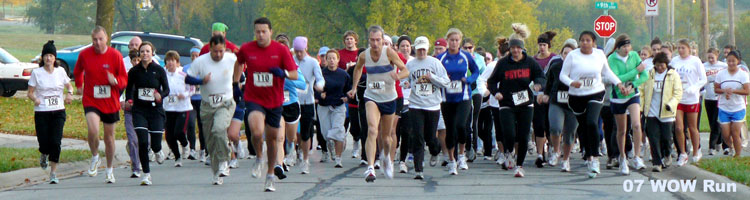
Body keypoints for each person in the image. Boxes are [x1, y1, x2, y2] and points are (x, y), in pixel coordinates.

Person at [234, 17, 299, 192]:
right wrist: (235, 83)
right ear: (254, 32)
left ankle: (270, 175)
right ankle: (259, 157)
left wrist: (283, 72)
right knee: (256, 131)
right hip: (254, 97)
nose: (261, 35)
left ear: (270, 32)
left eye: (264, 31)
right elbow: (239, 62)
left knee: (272, 140)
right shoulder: (247, 48)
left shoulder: (281, 50)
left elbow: (294, 74)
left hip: (274, 101)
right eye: (258, 32)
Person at [347, 25, 408, 182]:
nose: (375, 43)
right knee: (372, 130)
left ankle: (386, 157)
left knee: (386, 137)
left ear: (382, 40)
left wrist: (398, 76)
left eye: (378, 40)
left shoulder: (389, 52)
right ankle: (370, 167)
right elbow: (358, 69)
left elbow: (405, 70)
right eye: (372, 40)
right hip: (371, 97)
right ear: (369, 40)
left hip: (388, 97)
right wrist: (354, 87)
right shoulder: (364, 55)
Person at [559, 31, 624, 178]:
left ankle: (595, 158)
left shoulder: (599, 55)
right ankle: (588, 155)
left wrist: (618, 83)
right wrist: (571, 82)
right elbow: (562, 75)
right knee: (583, 128)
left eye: (588, 40)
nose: (584, 43)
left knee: (592, 123)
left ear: (593, 42)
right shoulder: (573, 55)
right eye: (582, 40)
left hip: (596, 92)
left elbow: (607, 72)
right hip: (577, 96)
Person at [487, 23, 545, 178]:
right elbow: (491, 81)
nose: (515, 51)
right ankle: (508, 152)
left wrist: (539, 84)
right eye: (513, 48)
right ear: (509, 48)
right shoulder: (503, 63)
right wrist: (496, 92)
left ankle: (519, 166)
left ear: (522, 48)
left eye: (518, 48)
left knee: (524, 135)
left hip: (526, 103)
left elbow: (540, 76)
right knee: (509, 134)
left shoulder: (530, 62)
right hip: (507, 103)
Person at [73, 26, 128, 184]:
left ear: (106, 39)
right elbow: (77, 71)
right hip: (91, 99)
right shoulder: (85, 54)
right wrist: (78, 85)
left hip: (110, 101)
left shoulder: (115, 55)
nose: (97, 43)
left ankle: (109, 170)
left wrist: (116, 81)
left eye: (100, 39)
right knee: (93, 129)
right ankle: (95, 156)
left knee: (109, 138)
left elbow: (124, 78)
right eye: (94, 40)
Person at [187, 35, 237, 185]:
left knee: (219, 129)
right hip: (207, 105)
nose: (218, 55)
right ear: (210, 49)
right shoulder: (201, 61)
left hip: (226, 103)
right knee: (210, 141)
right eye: (215, 51)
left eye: (221, 51)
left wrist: (238, 80)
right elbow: (188, 78)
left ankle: (224, 161)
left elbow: (243, 62)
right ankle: (217, 172)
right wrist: (201, 81)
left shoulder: (230, 58)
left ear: (225, 49)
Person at [125, 41, 170, 185]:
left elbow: (167, 89)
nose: (145, 54)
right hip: (139, 110)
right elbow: (129, 89)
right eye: (142, 51)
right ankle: (146, 174)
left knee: (155, 143)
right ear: (139, 53)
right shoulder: (134, 71)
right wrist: (129, 100)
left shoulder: (159, 70)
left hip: (155, 111)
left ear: (152, 53)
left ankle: (157, 151)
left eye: (147, 51)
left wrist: (160, 96)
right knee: (143, 142)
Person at [405, 36, 451, 179]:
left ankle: (435, 151)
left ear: (428, 48)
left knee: (431, 137)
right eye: (419, 49)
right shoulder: (411, 64)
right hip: (415, 104)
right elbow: (405, 79)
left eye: (424, 49)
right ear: (415, 49)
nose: (422, 52)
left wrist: (432, 78)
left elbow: (446, 82)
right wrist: (405, 84)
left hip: (432, 105)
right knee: (417, 136)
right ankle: (419, 170)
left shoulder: (435, 63)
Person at [29, 40, 74, 184]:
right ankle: (43, 153)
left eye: (51, 55)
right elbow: (29, 93)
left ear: (55, 58)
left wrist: (69, 94)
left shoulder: (60, 71)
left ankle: (53, 173)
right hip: (42, 111)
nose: (48, 58)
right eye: (46, 56)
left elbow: (69, 86)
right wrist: (35, 99)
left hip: (58, 111)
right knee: (44, 141)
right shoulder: (37, 73)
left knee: (56, 141)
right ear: (42, 58)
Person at [436, 28, 479, 174]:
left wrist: (468, 80)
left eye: (456, 40)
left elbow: (476, 71)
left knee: (461, 125)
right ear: (447, 41)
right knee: (450, 129)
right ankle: (451, 160)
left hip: (464, 97)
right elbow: (434, 75)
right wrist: (443, 79)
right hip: (447, 98)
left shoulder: (466, 56)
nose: (454, 43)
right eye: (451, 40)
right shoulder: (441, 58)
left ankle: (462, 155)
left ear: (460, 41)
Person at [607, 34, 649, 175]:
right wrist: (635, 71)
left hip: (632, 94)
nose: (627, 49)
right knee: (622, 130)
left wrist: (632, 84)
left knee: (636, 125)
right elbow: (616, 77)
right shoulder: (612, 59)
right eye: (624, 47)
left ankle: (637, 157)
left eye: (628, 46)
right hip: (618, 96)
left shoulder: (634, 56)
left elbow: (644, 76)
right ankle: (623, 158)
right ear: (618, 48)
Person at [537, 39, 578, 172]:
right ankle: (556, 151)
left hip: (574, 103)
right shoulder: (555, 65)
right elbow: (548, 82)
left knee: (570, 133)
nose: (567, 56)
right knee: (555, 128)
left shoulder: (579, 67)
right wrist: (545, 94)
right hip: (556, 101)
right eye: (565, 53)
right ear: (561, 54)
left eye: (570, 54)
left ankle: (566, 160)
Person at [640, 52, 682, 172]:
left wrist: (671, 104)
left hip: (667, 112)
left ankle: (667, 154)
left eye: (662, 65)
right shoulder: (649, 75)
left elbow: (678, 92)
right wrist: (641, 107)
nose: (660, 68)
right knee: (653, 138)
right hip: (652, 111)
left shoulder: (673, 75)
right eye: (657, 65)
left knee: (666, 138)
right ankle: (657, 162)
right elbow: (642, 91)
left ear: (666, 64)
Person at [670, 39, 707, 165]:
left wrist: (694, 87)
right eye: (679, 48)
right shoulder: (674, 61)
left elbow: (703, 79)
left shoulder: (695, 61)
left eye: (683, 48)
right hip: (678, 98)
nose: (680, 50)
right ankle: (683, 153)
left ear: (688, 49)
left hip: (691, 98)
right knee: (679, 127)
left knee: (692, 127)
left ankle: (696, 151)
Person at [293, 37, 325, 174]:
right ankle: (295, 152)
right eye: (296, 51)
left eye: (301, 51)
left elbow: (320, 78)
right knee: (294, 132)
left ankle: (305, 159)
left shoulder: (312, 62)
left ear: (306, 49)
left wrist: (319, 86)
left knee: (306, 133)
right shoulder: (290, 61)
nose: (299, 54)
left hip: (307, 102)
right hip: (292, 101)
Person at [478, 36, 510, 164]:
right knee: (499, 129)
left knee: (511, 129)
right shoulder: (493, 65)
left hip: (514, 103)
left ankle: (510, 152)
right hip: (497, 103)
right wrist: (486, 92)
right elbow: (481, 80)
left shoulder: (519, 64)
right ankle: (503, 152)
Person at [317, 50, 352, 168]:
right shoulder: (321, 73)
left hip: (338, 105)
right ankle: (330, 143)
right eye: (329, 58)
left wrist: (347, 97)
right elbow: (314, 87)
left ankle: (338, 158)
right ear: (325, 60)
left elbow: (350, 89)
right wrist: (319, 95)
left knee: (338, 130)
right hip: (324, 105)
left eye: (334, 58)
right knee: (325, 132)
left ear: (338, 60)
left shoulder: (343, 74)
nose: (331, 60)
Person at [279, 38, 308, 170]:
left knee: (291, 137)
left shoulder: (293, 67)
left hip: (291, 104)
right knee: (279, 136)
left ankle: (292, 151)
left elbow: (302, 84)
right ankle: (280, 161)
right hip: (276, 104)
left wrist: (287, 78)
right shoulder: (270, 66)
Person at [714, 50, 749, 158]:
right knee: (725, 134)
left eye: (733, 61)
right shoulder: (721, 73)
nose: (731, 63)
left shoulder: (743, 74)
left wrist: (733, 91)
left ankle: (737, 156)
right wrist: (724, 91)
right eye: (729, 61)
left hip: (738, 108)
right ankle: (731, 147)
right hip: (724, 107)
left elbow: (747, 91)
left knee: (735, 132)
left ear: (738, 61)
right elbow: (716, 89)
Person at [162, 51, 194, 168]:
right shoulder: (163, 75)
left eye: (172, 60)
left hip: (182, 108)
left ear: (177, 62)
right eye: (168, 61)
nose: (170, 63)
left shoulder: (183, 75)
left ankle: (185, 144)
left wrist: (184, 95)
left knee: (178, 132)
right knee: (169, 136)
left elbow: (192, 89)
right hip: (168, 108)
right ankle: (177, 156)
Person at [532, 31, 557, 167]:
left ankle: (553, 149)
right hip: (537, 97)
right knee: (539, 125)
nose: (542, 47)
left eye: (544, 45)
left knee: (550, 125)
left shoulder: (554, 59)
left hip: (551, 96)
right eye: (540, 45)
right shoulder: (533, 59)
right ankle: (540, 154)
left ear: (549, 46)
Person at [339, 31, 364, 160]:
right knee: (346, 118)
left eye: (351, 39)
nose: (349, 41)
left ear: (356, 41)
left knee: (358, 120)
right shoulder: (340, 54)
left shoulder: (361, 53)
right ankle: (341, 139)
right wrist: (347, 69)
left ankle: (356, 143)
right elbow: (337, 72)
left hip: (360, 89)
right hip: (346, 89)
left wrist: (355, 66)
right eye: (347, 39)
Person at [461, 37, 486, 162]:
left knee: (474, 120)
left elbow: (483, 74)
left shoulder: (480, 59)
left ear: (474, 48)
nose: (467, 50)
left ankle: (474, 148)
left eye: (470, 47)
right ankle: (465, 146)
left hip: (476, 91)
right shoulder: (459, 58)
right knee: (464, 121)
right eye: (465, 48)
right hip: (462, 91)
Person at [703, 48, 729, 156]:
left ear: (717, 56)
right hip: (708, 97)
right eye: (708, 57)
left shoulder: (723, 66)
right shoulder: (704, 66)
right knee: (712, 122)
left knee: (718, 122)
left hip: (720, 97)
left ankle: (716, 146)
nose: (710, 60)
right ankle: (719, 141)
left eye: (712, 57)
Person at [183, 47, 206, 162]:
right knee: (190, 123)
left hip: (202, 99)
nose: (194, 57)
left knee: (202, 125)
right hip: (190, 100)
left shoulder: (205, 68)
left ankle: (203, 149)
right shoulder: (186, 68)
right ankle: (192, 148)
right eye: (192, 55)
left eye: (197, 55)